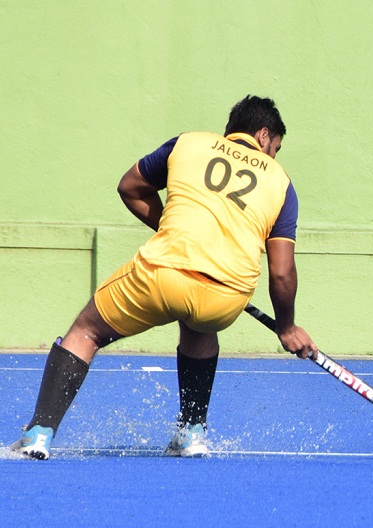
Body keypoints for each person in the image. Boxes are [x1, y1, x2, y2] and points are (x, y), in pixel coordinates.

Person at [10, 95, 319, 460]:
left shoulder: (188, 143)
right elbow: (281, 272)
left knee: (86, 331)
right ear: (263, 135)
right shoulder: (281, 183)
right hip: (226, 296)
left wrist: (171, 230)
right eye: (276, 149)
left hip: (159, 276)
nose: (274, 157)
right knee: (201, 323)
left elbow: (130, 187)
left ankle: (39, 433)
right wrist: (287, 327)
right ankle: (192, 432)